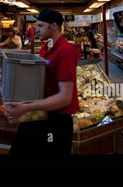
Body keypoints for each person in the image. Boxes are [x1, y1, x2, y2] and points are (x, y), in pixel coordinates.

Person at [4, 9, 79, 156]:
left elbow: (65, 98)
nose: (35, 29)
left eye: (40, 25)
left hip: (56, 122)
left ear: (54, 26)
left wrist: (26, 108)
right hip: (40, 115)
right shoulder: (46, 46)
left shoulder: (66, 51)